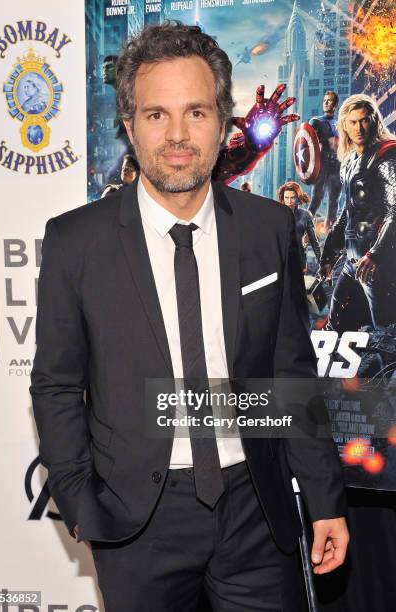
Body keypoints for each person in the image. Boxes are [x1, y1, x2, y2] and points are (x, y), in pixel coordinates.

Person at [30, 22, 348, 612]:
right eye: (156, 115)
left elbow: (289, 373)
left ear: (223, 122)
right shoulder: (77, 242)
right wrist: (78, 499)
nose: (177, 135)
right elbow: (55, 383)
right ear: (129, 126)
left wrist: (326, 498)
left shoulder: (267, 228)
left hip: (256, 509)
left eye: (196, 112)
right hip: (136, 520)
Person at [319, 94, 396, 332]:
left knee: (385, 334)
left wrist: (376, 253)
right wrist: (328, 255)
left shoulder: (387, 155)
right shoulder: (349, 161)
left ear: (374, 121)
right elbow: (348, 212)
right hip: (353, 261)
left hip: (378, 263)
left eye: (364, 120)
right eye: (353, 122)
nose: (359, 127)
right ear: (345, 125)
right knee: (335, 327)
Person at [308, 91, 341, 232]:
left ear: (335, 104)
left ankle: (329, 236)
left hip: (337, 166)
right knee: (316, 199)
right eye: (325, 100)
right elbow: (308, 141)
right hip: (322, 165)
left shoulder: (339, 124)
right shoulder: (316, 121)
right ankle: (304, 231)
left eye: (329, 101)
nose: (326, 103)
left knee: (334, 202)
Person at [277, 180, 321, 273]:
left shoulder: (305, 215)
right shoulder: (277, 214)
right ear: (283, 198)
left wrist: (322, 263)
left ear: (298, 198)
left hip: (299, 260)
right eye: (286, 198)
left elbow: (314, 241)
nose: (289, 201)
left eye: (292, 198)